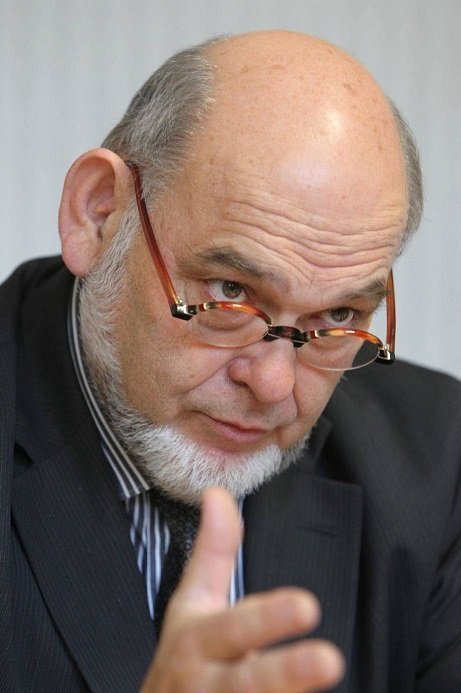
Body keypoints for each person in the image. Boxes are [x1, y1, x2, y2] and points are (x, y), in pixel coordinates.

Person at [1, 29, 460, 693]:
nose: (273, 384)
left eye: (337, 315)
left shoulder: (437, 459)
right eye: (230, 292)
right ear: (99, 214)